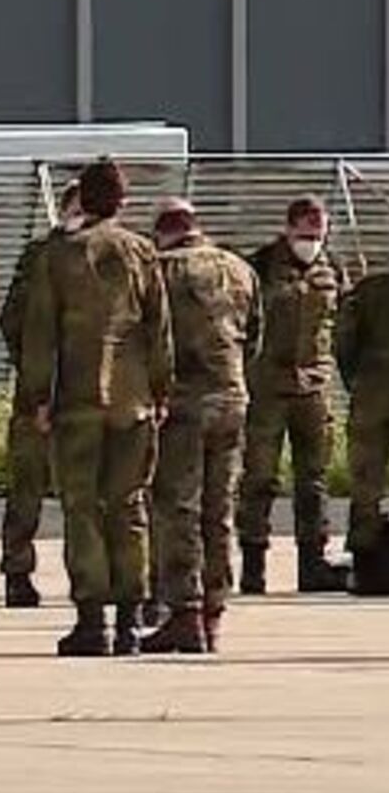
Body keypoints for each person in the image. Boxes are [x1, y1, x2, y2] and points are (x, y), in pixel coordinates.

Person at [20, 159, 173, 657]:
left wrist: (38, 398)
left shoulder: (59, 256)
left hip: (78, 401)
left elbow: (40, 335)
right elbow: (159, 331)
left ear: (82, 199)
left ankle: (92, 621)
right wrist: (161, 391)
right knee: (129, 506)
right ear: (123, 202)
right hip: (134, 401)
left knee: (82, 508)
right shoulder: (142, 252)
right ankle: (130, 620)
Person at [142, 199, 260, 653]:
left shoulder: (161, 270)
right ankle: (214, 610)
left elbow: (148, 338)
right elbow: (254, 338)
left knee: (178, 508)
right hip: (232, 398)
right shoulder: (239, 269)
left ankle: (185, 611)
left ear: (162, 233)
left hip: (182, 404)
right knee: (220, 508)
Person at [238, 196, 350, 594]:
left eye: (318, 235)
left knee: (313, 480)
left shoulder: (332, 267)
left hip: (313, 387)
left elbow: (344, 323)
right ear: (288, 229)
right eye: (305, 234)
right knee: (259, 478)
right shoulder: (260, 265)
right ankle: (253, 565)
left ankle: (312, 563)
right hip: (267, 388)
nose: (311, 242)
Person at [0, 180, 82, 609]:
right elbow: (12, 319)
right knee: (27, 483)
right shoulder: (39, 257)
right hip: (38, 389)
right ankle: (17, 570)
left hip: (89, 391)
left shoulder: (112, 254)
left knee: (86, 490)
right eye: (76, 209)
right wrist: (34, 369)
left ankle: (88, 575)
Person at [333, 264, 389, 596]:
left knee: (366, 480)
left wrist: (355, 380)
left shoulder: (368, 291)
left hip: (372, 389)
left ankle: (367, 566)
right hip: (370, 386)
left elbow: (344, 342)